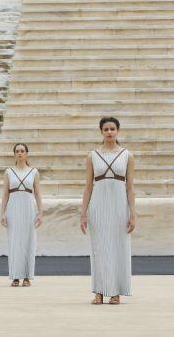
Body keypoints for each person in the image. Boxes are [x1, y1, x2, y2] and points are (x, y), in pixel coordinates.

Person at [80, 117, 136, 305]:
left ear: (118, 131)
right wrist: (83, 213)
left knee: (118, 248)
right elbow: (88, 187)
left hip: (120, 206)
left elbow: (130, 187)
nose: (110, 132)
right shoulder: (92, 156)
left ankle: (115, 292)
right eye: (106, 129)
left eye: (112, 128)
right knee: (99, 249)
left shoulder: (127, 155)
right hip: (98, 205)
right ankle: (99, 291)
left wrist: (133, 214)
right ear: (101, 132)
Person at [0, 143, 43, 287]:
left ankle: (27, 276)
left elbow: (37, 193)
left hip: (28, 208)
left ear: (26, 154)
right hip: (13, 208)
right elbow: (5, 194)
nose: (20, 153)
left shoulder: (34, 172)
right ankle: (15, 276)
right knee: (14, 242)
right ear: (14, 154)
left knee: (28, 241)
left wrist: (40, 213)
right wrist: (3, 213)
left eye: (22, 151)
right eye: (17, 151)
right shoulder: (8, 172)